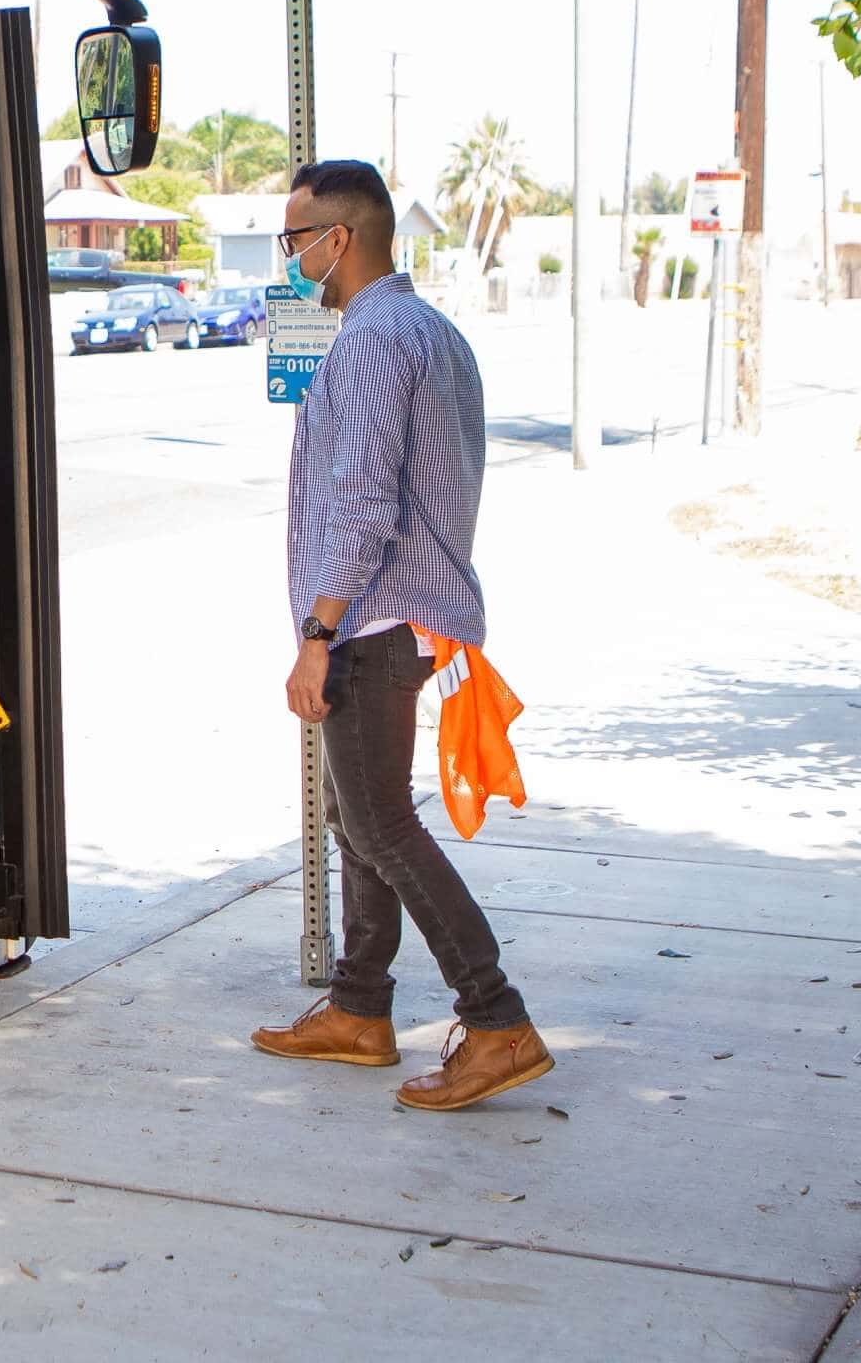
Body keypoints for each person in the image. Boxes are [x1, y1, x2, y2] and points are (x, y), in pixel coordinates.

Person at [250, 159, 552, 1112]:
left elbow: (365, 504)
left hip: (373, 622)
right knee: (357, 816)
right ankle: (359, 1008)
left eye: (296, 238)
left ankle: (497, 1020)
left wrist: (316, 632)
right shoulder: (432, 329)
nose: (289, 257)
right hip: (398, 615)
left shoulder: (377, 338)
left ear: (340, 239)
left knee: (382, 822)